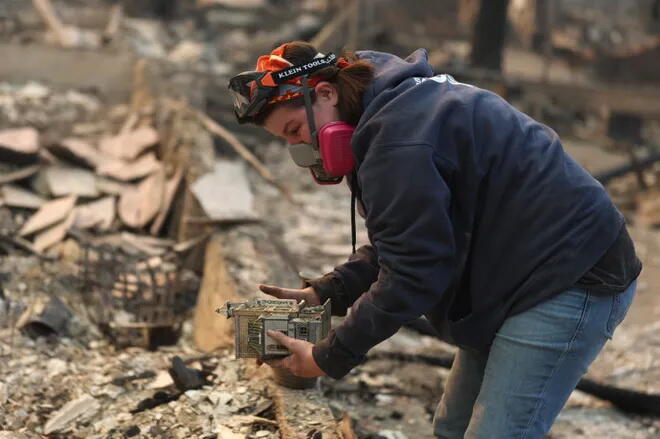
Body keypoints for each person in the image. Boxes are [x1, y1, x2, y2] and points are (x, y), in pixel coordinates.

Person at [227, 41, 641, 438]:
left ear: (325, 92)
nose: (302, 149)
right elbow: (413, 235)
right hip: (517, 271)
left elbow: (413, 274)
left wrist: (327, 357)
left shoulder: (400, 139)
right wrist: (328, 292)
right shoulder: (389, 110)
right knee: (451, 429)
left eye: (296, 130)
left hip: (571, 276)